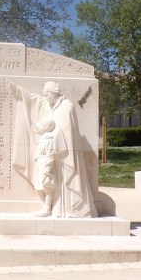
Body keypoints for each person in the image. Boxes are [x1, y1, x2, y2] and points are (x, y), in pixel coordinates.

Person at [8, 80, 98, 218]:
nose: (46, 97)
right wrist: (20, 92)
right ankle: (50, 207)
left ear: (54, 93)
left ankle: (65, 209)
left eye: (47, 95)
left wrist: (50, 138)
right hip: (48, 154)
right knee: (42, 182)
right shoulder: (52, 106)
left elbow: (66, 132)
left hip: (62, 156)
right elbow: (36, 100)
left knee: (48, 182)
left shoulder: (66, 108)